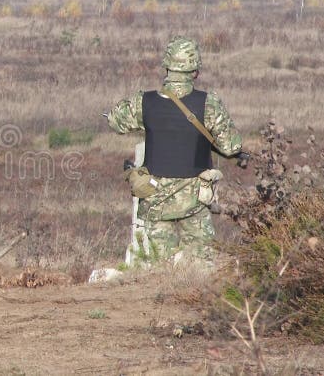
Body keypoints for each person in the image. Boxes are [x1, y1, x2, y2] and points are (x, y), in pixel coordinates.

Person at [105, 36, 244, 264]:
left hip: (155, 198)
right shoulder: (208, 104)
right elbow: (231, 147)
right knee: (201, 265)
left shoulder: (144, 102)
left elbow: (114, 120)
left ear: (167, 66)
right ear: (195, 70)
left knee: (160, 267)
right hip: (195, 202)